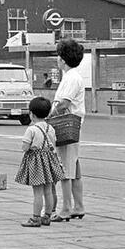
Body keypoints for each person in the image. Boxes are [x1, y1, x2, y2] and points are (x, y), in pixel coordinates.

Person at [49, 39, 86, 222]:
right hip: (73, 126)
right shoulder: (73, 76)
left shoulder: (71, 78)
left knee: (64, 168)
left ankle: (65, 209)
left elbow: (64, 103)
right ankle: (78, 206)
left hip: (66, 125)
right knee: (74, 167)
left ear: (63, 59)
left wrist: (48, 119)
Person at [16, 97, 66, 227]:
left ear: (31, 114)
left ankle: (35, 218)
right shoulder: (51, 128)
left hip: (36, 164)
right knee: (48, 190)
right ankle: (47, 216)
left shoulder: (31, 129)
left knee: (37, 192)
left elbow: (25, 147)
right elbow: (53, 143)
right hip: (49, 162)